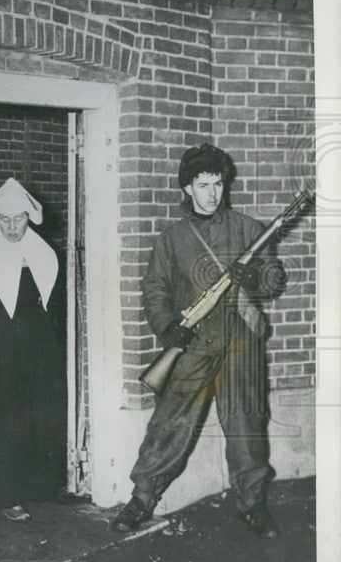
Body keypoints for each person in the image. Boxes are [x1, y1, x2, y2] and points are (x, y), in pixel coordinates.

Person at [112, 144, 287, 537]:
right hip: (191, 345)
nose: (212, 193)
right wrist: (167, 327)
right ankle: (141, 499)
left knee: (247, 428)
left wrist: (255, 279)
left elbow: (275, 277)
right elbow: (154, 288)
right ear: (187, 188)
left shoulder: (247, 228)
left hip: (240, 344)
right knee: (168, 426)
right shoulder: (172, 239)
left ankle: (253, 505)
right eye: (203, 184)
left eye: (218, 183)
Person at [0, 178, 66, 522]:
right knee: (6, 423)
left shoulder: (44, 252)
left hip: (39, 350)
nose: (13, 227)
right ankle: (6, 495)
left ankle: (39, 487)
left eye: (19, 219)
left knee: (39, 416)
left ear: (29, 217)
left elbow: (55, 306)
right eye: (5, 220)